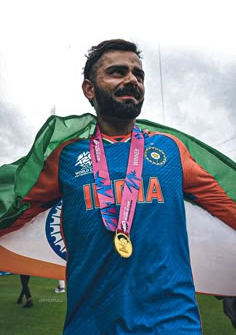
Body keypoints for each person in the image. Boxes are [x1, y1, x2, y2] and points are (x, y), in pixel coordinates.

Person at [2, 39, 236, 333]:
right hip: (90, 325)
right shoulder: (66, 156)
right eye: (117, 72)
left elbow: (228, 207)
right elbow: (16, 210)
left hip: (173, 324)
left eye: (138, 75)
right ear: (89, 89)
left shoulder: (171, 150)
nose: (131, 80)